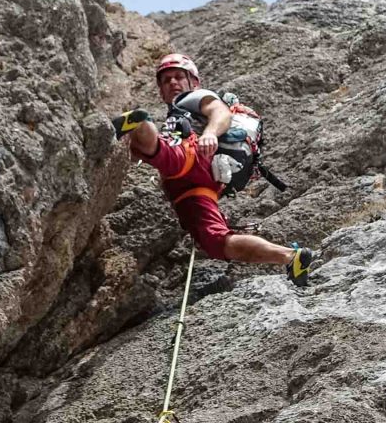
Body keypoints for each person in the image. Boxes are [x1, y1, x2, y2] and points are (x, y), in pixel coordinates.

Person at [112, 53, 313, 286]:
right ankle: (290, 256)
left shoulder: (194, 96)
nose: (173, 83)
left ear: (194, 81)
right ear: (161, 90)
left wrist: (209, 134)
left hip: (195, 157)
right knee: (213, 239)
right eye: (166, 80)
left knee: (167, 154)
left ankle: (140, 121)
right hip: (200, 184)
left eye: (179, 77)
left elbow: (220, 112)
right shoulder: (179, 110)